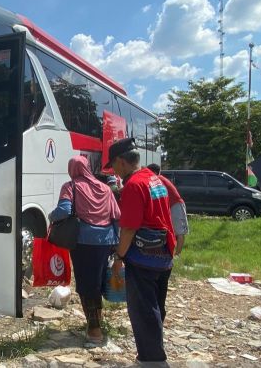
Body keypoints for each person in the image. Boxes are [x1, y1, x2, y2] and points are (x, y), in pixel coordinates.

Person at [107, 138, 175, 365]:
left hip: (143, 258)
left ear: (121, 161)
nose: (113, 170)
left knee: (143, 311)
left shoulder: (133, 185)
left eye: (113, 165)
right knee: (155, 307)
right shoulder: (155, 179)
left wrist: (118, 257)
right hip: (163, 255)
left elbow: (129, 228)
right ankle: (154, 351)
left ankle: (153, 360)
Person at [49, 155, 120, 345]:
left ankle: (95, 331)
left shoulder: (71, 186)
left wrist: (51, 216)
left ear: (72, 169)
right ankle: (96, 321)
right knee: (97, 281)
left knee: (87, 285)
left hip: (84, 242)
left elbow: (64, 211)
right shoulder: (105, 188)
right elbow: (116, 216)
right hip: (106, 241)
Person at [148, 163, 189, 256]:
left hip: (176, 204)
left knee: (179, 232)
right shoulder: (157, 179)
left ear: (154, 172)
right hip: (169, 206)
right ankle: (173, 252)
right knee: (173, 231)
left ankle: (177, 254)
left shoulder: (158, 179)